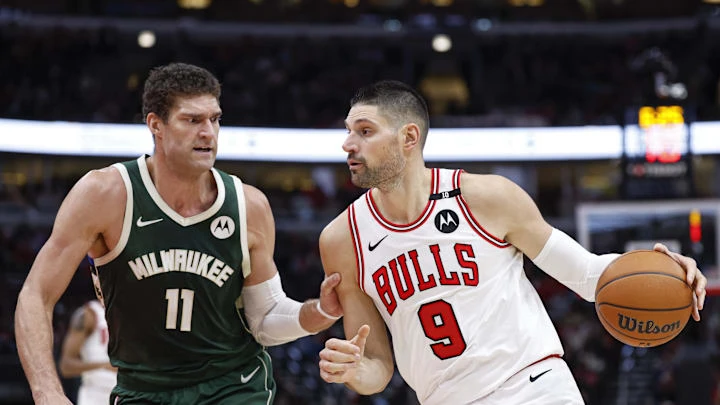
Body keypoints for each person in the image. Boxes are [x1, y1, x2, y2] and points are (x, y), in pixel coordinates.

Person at [317, 80, 707, 405]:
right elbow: (377, 368)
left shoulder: (486, 197)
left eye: (364, 131)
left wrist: (661, 267)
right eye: (348, 132)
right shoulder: (340, 240)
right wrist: (354, 370)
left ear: (409, 136)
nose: (348, 144)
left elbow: (587, 274)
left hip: (535, 388)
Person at [15, 62, 343, 405]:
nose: (208, 132)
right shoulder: (106, 194)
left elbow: (264, 318)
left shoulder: (249, 205)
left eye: (215, 119)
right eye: (192, 120)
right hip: (144, 389)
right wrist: (47, 392)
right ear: (156, 125)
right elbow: (35, 295)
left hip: (233, 385)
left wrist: (319, 311)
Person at [59, 300, 117, 405]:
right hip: (95, 395)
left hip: (129, 393)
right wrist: (104, 365)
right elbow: (66, 366)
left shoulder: (136, 314)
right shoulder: (88, 314)